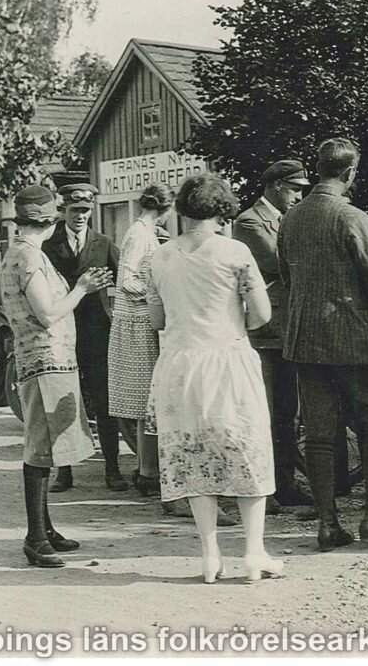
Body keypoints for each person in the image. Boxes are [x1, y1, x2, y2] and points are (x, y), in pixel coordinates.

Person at [146, 173, 282, 583]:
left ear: (183, 211)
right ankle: (254, 552)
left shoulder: (159, 256)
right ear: (222, 211)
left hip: (179, 365)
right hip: (227, 361)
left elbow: (157, 318)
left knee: (193, 456)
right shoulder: (235, 252)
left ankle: (209, 555)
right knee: (247, 450)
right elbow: (261, 315)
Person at [277, 137, 368, 552]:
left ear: (318, 169)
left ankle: (328, 524)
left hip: (304, 338)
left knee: (318, 432)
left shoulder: (290, 218)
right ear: (351, 173)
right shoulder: (350, 217)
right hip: (354, 336)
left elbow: (286, 278)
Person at [0, 185, 114, 568]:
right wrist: (82, 288)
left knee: (45, 447)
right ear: (49, 222)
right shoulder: (29, 258)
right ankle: (35, 538)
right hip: (43, 361)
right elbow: (48, 314)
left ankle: (45, 529)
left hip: (48, 361)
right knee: (40, 448)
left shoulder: (22, 253)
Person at [232, 159, 314, 509]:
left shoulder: (286, 219)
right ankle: (266, 487)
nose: (298, 196)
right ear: (277, 185)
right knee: (267, 412)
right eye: (295, 189)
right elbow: (279, 265)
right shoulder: (250, 222)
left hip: (289, 328)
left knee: (287, 412)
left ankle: (284, 484)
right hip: (267, 331)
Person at [42, 183, 126, 493]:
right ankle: (64, 471)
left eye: (85, 210)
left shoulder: (103, 243)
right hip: (62, 332)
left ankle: (113, 469)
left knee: (104, 403)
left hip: (96, 334)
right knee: (64, 401)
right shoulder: (48, 245)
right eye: (74, 210)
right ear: (63, 210)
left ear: (92, 211)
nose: (80, 216)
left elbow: (127, 280)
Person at [107, 183, 177, 508]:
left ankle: (146, 469)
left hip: (141, 321)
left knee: (146, 400)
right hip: (135, 322)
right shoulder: (139, 233)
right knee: (144, 399)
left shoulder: (148, 231)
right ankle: (146, 471)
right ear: (166, 207)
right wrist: (159, 291)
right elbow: (127, 280)